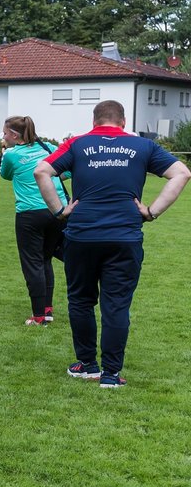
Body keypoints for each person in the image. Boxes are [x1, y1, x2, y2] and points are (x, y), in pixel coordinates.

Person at [34, 99, 190, 387]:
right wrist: (151, 211)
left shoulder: (77, 144)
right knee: (116, 305)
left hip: (82, 235)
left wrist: (59, 210)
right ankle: (111, 374)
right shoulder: (142, 146)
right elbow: (182, 173)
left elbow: (41, 171)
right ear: (124, 122)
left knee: (81, 301)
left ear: (94, 121)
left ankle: (87, 365)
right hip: (125, 236)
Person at [0, 115, 69, 325]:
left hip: (30, 214)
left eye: (4, 133)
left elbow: (6, 175)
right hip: (57, 211)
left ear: (13, 135)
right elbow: (67, 171)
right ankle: (47, 309)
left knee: (33, 264)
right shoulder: (48, 147)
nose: (3, 136)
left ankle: (39, 316)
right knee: (45, 260)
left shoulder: (11, 154)